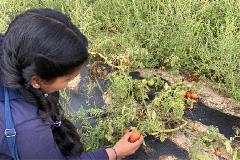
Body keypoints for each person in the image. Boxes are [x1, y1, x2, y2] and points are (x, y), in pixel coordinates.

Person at [0, 8, 143, 159]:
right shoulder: (27, 128)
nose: (72, 81)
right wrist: (114, 152)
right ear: (36, 81)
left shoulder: (10, 48)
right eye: (67, 79)